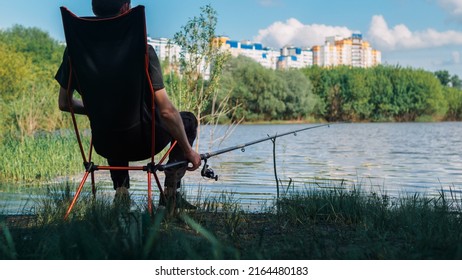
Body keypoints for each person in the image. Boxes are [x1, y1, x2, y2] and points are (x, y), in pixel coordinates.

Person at [55, 0, 201, 210]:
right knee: (187, 120)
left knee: (113, 119)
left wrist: (99, 110)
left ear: (94, 8)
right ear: (125, 9)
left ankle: (121, 192)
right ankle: (170, 194)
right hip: (143, 142)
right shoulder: (143, 51)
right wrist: (189, 151)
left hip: (106, 143)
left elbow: (64, 103)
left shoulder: (74, 54)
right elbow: (167, 112)